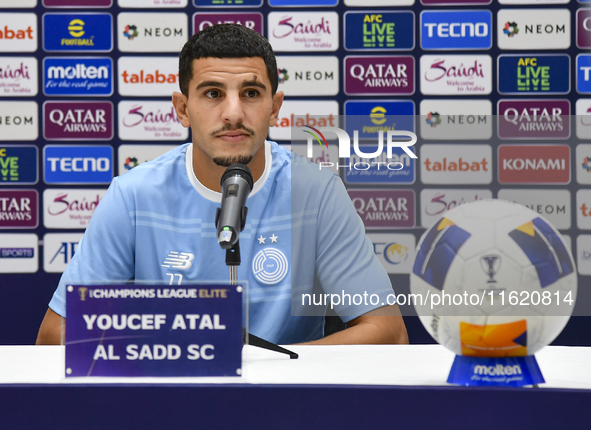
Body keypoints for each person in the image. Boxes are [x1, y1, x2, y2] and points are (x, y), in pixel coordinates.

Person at [36, 24, 408, 346]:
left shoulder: (317, 192)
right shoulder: (133, 196)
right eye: (213, 93)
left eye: (251, 93)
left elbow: (387, 332)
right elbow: (56, 335)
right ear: (182, 108)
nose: (233, 113)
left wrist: (272, 365)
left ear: (275, 107)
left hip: (283, 406)